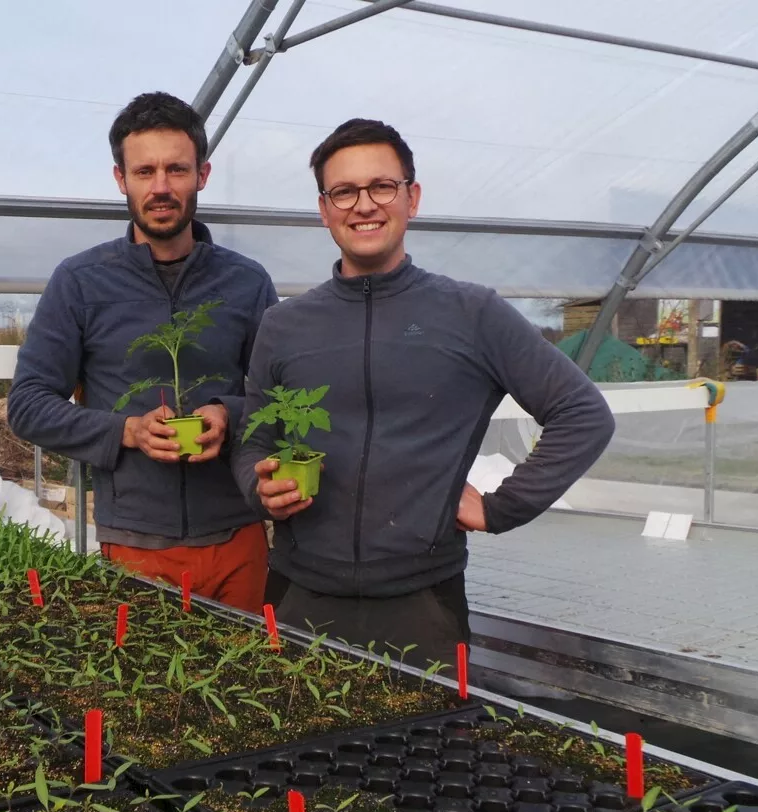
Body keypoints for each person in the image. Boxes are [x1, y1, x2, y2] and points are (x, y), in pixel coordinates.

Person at [233, 119, 615, 666]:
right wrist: (258, 485)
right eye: (344, 191)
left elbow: (583, 414)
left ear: (411, 198)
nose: (363, 204)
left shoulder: (470, 313)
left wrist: (504, 506)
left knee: (422, 748)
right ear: (324, 210)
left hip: (422, 604)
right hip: (299, 596)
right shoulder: (285, 325)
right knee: (295, 745)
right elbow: (253, 439)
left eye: (381, 186)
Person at [8, 92, 278, 613]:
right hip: (133, 544)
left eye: (176, 169)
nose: (160, 187)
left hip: (239, 539)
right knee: (144, 690)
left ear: (202, 174)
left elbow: (275, 397)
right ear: (120, 179)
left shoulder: (246, 282)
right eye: (144, 171)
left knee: (253, 686)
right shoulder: (81, 282)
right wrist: (125, 431)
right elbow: (28, 404)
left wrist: (228, 413)